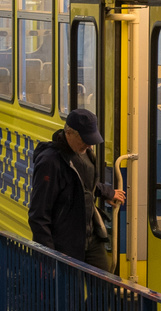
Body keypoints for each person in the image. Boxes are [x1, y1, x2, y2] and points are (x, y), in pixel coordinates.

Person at [28, 108, 125, 270]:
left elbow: (86, 185)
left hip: (91, 237)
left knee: (104, 290)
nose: (89, 144)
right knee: (73, 293)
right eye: (85, 139)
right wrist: (48, 256)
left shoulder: (85, 153)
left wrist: (107, 192)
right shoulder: (49, 162)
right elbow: (39, 215)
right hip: (65, 244)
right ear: (69, 133)